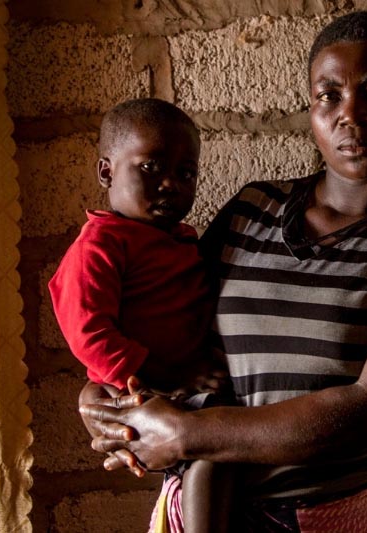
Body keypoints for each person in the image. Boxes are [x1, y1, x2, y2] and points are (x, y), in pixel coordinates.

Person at [78, 11, 367, 532]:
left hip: (338, 517)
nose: (353, 114)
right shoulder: (253, 209)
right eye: (330, 95)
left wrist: (186, 434)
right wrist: (105, 397)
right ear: (311, 109)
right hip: (205, 510)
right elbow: (167, 322)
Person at [49, 98, 232, 533]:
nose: (170, 184)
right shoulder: (101, 245)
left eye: (185, 173)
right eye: (151, 168)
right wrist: (158, 374)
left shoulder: (180, 240)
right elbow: (87, 332)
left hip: (184, 383)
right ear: (106, 172)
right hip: (143, 384)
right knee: (211, 457)